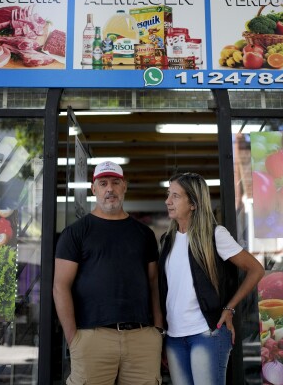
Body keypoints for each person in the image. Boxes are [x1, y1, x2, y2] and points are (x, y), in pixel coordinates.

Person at [53, 161, 164, 385]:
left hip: (141, 338)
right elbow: (60, 286)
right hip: (92, 337)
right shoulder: (75, 233)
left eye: (115, 182)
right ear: (94, 189)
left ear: (125, 186)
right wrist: (73, 338)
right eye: (103, 183)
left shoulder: (143, 234)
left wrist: (158, 330)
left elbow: (154, 283)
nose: (109, 189)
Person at [159, 172, 265, 385]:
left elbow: (255, 269)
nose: (168, 201)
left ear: (193, 203)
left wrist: (230, 308)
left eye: (176, 196)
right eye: (168, 194)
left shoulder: (215, 234)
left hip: (207, 333)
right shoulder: (167, 240)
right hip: (174, 336)